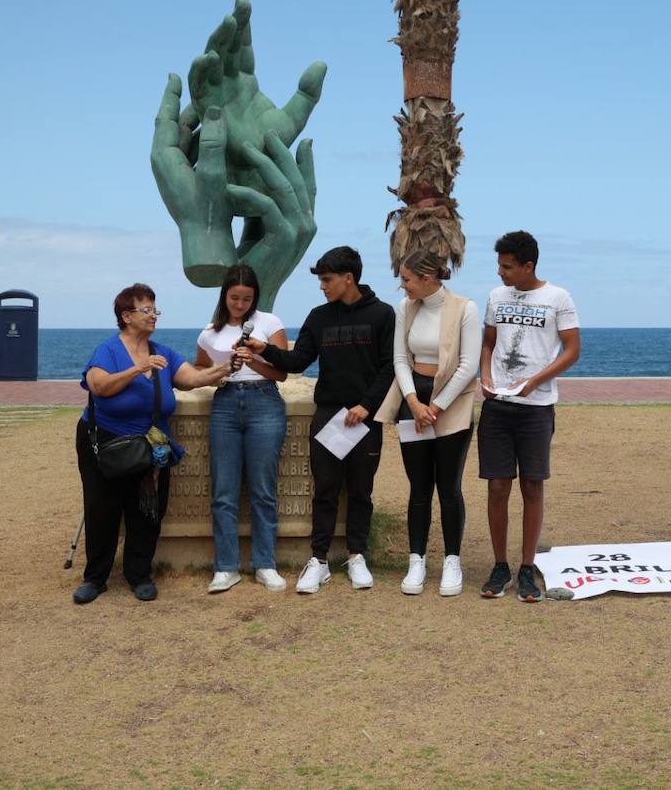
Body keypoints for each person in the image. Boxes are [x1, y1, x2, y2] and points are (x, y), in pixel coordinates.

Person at [243, 246, 395, 594]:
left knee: (361, 491)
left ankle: (357, 556)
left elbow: (389, 367)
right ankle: (319, 560)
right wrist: (264, 349)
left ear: (348, 278)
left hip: (365, 417)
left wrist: (367, 406)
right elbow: (298, 361)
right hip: (328, 415)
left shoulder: (383, 314)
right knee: (325, 490)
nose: (322, 287)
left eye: (327, 280)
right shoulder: (318, 316)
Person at [73, 284, 229, 604]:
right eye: (146, 310)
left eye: (155, 309)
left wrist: (226, 368)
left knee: (147, 508)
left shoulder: (164, 353)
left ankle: (139, 575)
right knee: (102, 509)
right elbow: (98, 386)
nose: (153, 315)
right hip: (105, 442)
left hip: (151, 445)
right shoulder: (108, 350)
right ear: (126, 316)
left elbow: (193, 379)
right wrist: (137, 369)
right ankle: (95, 578)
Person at [478, 231, 580, 603]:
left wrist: (534, 382)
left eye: (507, 267)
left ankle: (526, 567)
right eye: (499, 265)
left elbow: (572, 350)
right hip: (497, 407)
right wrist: (485, 377)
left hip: (536, 409)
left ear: (528, 265)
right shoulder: (496, 296)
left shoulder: (558, 298)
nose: (500, 272)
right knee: (496, 487)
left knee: (532, 487)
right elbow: (489, 342)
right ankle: (500, 566)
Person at [374, 250, 482, 597]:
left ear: (427, 278)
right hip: (413, 400)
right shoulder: (405, 308)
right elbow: (400, 358)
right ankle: (416, 559)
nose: (402, 286)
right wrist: (413, 402)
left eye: (406, 279)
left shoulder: (465, 308)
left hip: (451, 401)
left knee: (448, 486)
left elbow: (468, 365)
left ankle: (452, 560)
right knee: (419, 487)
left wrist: (435, 407)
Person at [195, 265, 290, 594]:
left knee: (263, 490)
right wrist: (221, 372)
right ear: (224, 296)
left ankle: (265, 564)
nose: (240, 304)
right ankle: (226, 567)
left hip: (264, 402)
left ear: (255, 298)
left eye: (247, 299)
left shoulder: (270, 323)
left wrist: (252, 361)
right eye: (234, 298)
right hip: (225, 404)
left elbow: (282, 373)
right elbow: (200, 368)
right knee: (224, 491)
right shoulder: (209, 332)